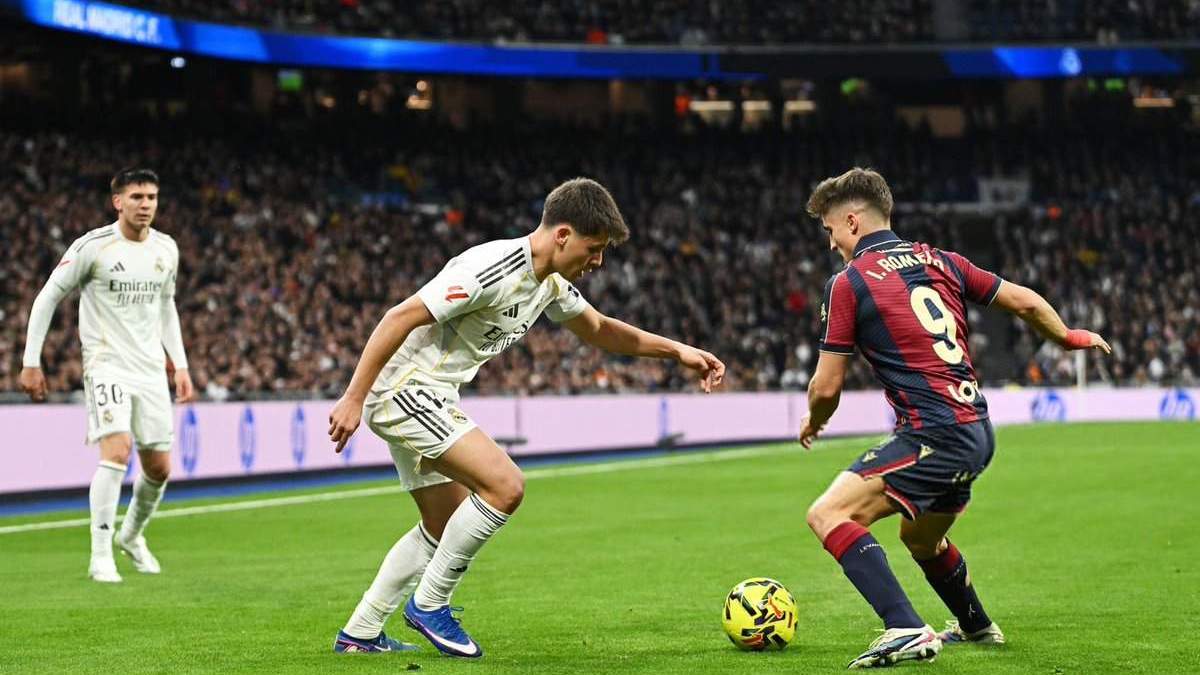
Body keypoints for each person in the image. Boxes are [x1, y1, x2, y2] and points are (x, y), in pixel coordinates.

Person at [326, 177, 725, 656]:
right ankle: (431, 603)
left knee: (443, 521)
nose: (597, 262)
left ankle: (361, 632)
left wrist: (677, 351)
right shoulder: (491, 268)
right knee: (505, 485)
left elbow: (599, 329)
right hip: (403, 390)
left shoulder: (550, 284)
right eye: (593, 248)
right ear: (562, 235)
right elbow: (399, 316)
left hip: (432, 393)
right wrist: (353, 397)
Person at [797, 168, 1110, 669]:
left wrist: (814, 419)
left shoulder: (849, 283)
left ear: (852, 222)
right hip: (977, 431)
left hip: (934, 432)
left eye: (831, 231)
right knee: (920, 537)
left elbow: (827, 386)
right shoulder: (941, 260)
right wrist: (1069, 337)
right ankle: (978, 627)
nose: (833, 245)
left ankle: (903, 626)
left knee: (829, 514)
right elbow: (1025, 301)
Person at [21, 168, 194, 583]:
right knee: (117, 452)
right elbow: (48, 296)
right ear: (118, 201)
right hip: (106, 364)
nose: (146, 204)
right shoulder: (94, 247)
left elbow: (166, 307)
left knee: (160, 468)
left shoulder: (166, 249)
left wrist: (181, 363)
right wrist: (31, 360)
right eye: (136, 197)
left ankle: (131, 536)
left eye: (151, 197)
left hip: (151, 369)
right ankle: (100, 554)